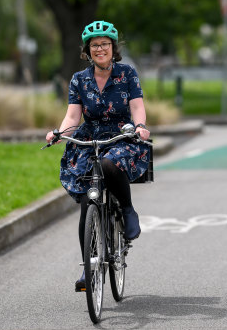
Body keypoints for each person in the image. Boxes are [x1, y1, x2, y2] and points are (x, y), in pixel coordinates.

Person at [46, 20, 151, 292]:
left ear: (113, 48)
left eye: (105, 44)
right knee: (87, 202)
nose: (100, 48)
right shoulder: (79, 79)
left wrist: (140, 127)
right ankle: (89, 269)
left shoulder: (127, 73)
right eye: (95, 45)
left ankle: (127, 210)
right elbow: (73, 116)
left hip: (121, 135)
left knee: (109, 164)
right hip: (89, 137)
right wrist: (59, 132)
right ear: (88, 50)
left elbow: (137, 107)